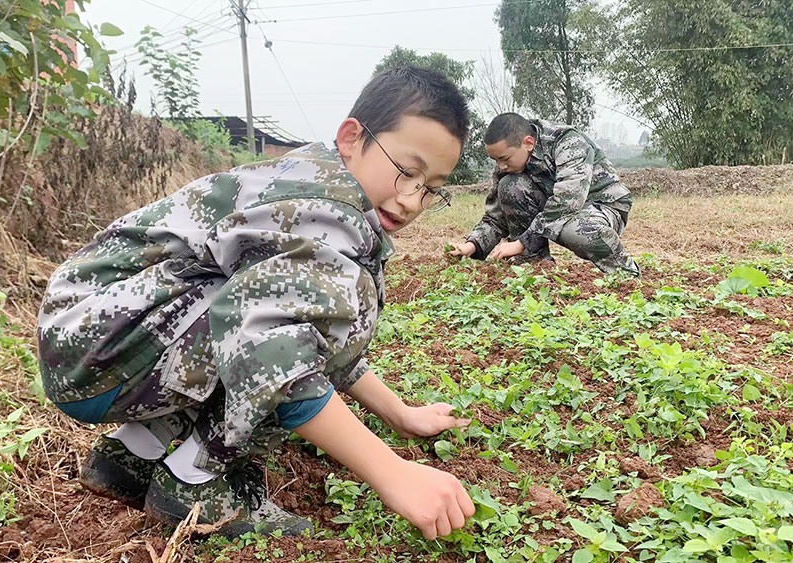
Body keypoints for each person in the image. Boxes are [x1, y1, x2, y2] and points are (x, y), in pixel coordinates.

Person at [36, 66, 476, 540]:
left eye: (431, 188)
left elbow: (323, 339)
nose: (412, 200)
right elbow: (271, 343)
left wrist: (398, 412)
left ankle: (133, 454)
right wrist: (393, 472)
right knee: (287, 320)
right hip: (104, 353)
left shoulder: (316, 176)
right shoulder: (328, 210)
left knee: (310, 304)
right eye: (407, 172)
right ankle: (195, 481)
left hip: (99, 344)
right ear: (352, 137)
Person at [447, 112, 640, 275]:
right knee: (510, 186)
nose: (501, 166)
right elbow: (496, 217)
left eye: (504, 159)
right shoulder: (509, 164)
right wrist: (471, 245)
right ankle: (533, 269)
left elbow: (566, 203)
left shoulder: (567, 142)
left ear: (528, 143)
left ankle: (625, 273)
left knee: (574, 229)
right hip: (560, 209)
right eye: (496, 160)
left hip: (604, 205)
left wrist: (521, 243)